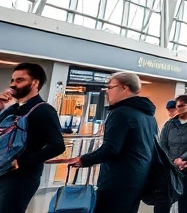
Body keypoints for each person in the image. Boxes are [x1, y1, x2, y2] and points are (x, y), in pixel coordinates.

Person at [0, 63, 66, 213]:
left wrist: (22, 162)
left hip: (21, 178)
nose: (13, 85)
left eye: (19, 80)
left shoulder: (44, 110)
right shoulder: (13, 109)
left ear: (35, 83)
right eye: (12, 80)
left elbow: (57, 145)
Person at [67, 72, 158, 213]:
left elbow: (110, 148)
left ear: (125, 88)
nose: (107, 91)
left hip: (117, 181)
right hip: (138, 178)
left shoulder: (120, 112)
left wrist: (83, 160)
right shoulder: (148, 115)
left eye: (110, 87)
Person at [155, 95, 187, 213]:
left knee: (185, 202)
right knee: (163, 201)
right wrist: (171, 161)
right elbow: (162, 144)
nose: (177, 109)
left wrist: (182, 159)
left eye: (180, 106)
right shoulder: (169, 124)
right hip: (169, 170)